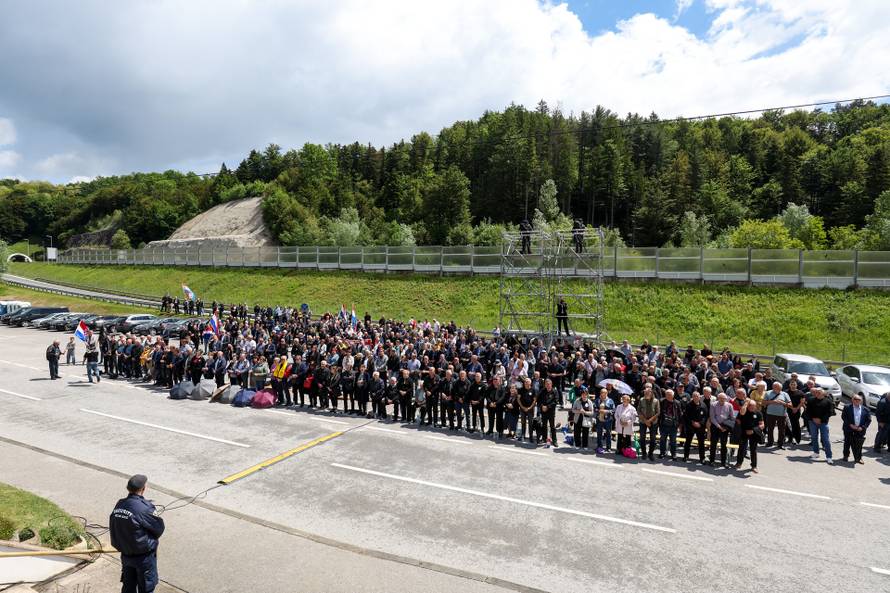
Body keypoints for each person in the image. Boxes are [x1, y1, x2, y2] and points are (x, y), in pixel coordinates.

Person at [109, 474, 165, 593]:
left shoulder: (120, 503)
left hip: (126, 555)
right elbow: (159, 528)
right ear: (143, 489)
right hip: (143, 558)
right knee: (146, 588)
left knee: (128, 586)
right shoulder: (144, 508)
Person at [735, 398, 765, 473]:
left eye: (753, 406)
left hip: (754, 433)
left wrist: (753, 430)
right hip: (744, 432)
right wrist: (745, 403)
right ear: (748, 406)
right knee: (741, 448)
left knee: (753, 450)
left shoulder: (758, 413)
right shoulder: (743, 411)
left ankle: (754, 466)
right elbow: (740, 415)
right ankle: (739, 463)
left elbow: (762, 425)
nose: (752, 407)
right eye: (750, 406)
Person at [807, 387, 835, 464]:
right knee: (814, 437)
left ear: (823, 393)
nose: (817, 393)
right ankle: (816, 453)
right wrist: (813, 418)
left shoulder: (828, 401)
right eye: (816, 392)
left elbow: (830, 412)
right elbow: (808, 411)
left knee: (825, 439)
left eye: (819, 392)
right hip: (812, 422)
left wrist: (821, 420)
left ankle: (829, 457)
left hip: (823, 423)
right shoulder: (811, 400)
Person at [841, 394, 871, 464]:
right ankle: (846, 456)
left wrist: (863, 427)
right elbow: (844, 417)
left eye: (859, 400)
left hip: (860, 430)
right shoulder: (847, 407)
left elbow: (868, 420)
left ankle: (858, 458)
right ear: (852, 400)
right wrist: (850, 425)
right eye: (855, 399)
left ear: (861, 401)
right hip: (848, 428)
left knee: (859, 445)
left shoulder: (866, 410)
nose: (857, 401)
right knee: (847, 442)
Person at [708, 391, 734, 467]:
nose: (722, 400)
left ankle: (723, 462)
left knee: (724, 445)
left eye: (724, 399)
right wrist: (719, 426)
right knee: (713, 445)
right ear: (718, 398)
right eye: (721, 398)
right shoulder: (713, 404)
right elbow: (712, 418)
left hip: (725, 427)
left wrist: (726, 427)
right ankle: (712, 461)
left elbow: (732, 418)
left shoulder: (729, 405)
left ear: (726, 399)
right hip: (715, 426)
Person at [763, 382, 791, 448]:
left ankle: (780, 444)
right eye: (776, 387)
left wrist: (783, 403)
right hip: (770, 414)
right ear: (773, 387)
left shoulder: (785, 394)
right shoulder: (768, 393)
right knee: (770, 429)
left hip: (781, 415)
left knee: (781, 430)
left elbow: (790, 405)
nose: (778, 389)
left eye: (779, 388)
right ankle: (770, 443)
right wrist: (772, 402)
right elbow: (763, 403)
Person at [682, 391, 707, 464]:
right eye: (694, 396)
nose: (696, 397)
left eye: (697, 396)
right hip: (690, 427)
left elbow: (705, 416)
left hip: (700, 427)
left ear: (700, 397)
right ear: (692, 397)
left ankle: (702, 458)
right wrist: (692, 422)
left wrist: (700, 423)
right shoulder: (688, 405)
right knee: (688, 442)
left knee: (701, 443)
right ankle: (686, 456)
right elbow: (686, 416)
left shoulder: (703, 405)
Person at [658, 389, 682, 461]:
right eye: (666, 394)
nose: (668, 396)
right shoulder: (661, 401)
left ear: (673, 395)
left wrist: (679, 424)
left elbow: (679, 414)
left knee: (673, 441)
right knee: (662, 440)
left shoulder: (677, 403)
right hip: (663, 424)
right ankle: (662, 453)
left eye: (669, 395)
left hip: (673, 425)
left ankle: (673, 454)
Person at [637, 387, 659, 461]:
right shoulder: (641, 400)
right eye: (645, 393)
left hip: (653, 422)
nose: (645, 394)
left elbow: (658, 412)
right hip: (643, 421)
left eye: (647, 393)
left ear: (651, 393)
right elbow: (639, 411)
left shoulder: (656, 401)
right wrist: (645, 421)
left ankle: (650, 454)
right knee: (642, 438)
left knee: (653, 439)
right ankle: (644, 453)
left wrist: (649, 421)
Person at [594, 388, 614, 452]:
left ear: (607, 393)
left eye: (605, 393)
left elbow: (613, 410)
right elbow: (594, 408)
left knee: (608, 433)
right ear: (600, 393)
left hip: (608, 420)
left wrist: (606, 411)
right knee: (599, 433)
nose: (603, 394)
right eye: (602, 392)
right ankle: (599, 446)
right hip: (599, 419)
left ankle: (608, 447)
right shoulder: (597, 400)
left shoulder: (610, 401)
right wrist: (599, 410)